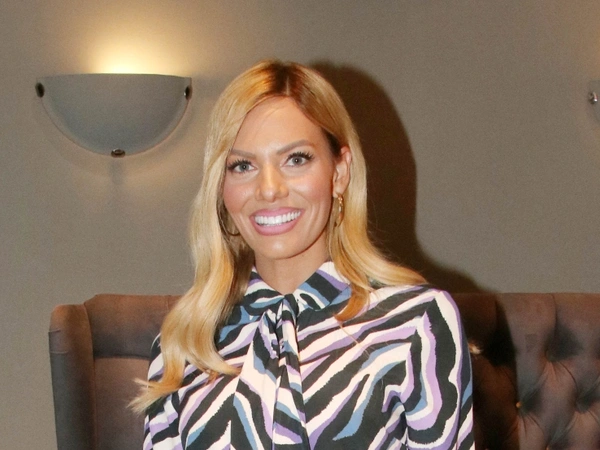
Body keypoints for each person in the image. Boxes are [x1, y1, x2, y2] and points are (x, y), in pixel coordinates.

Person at [133, 60, 474, 450]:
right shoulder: (185, 343)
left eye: (296, 159)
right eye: (242, 165)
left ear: (339, 172)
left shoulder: (418, 323)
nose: (269, 189)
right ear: (221, 187)